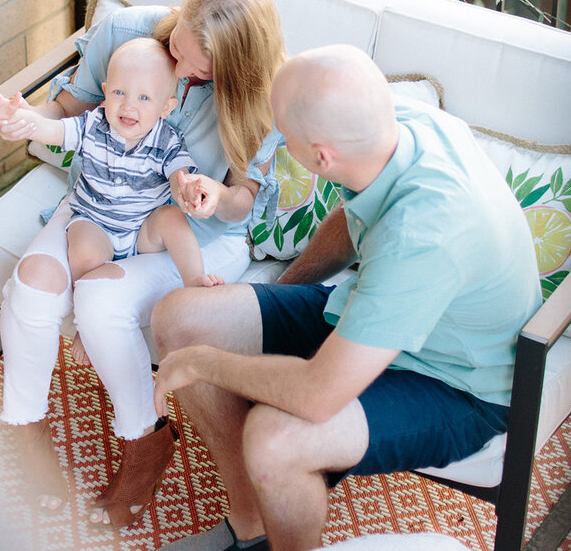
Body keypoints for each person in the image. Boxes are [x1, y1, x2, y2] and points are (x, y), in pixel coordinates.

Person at [151, 45, 543, 550]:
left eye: (283, 136)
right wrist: (272, 298)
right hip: (375, 313)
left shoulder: (423, 234)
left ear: (321, 156)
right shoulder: (395, 123)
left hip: (458, 384)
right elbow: (353, 218)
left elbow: (318, 394)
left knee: (275, 439)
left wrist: (204, 363)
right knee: (180, 318)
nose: (275, 140)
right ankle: (252, 526)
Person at [0, 0, 286, 528]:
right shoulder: (125, 32)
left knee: (98, 303)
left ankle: (147, 441)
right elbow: (68, 116)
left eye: (202, 71)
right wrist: (20, 119)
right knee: (33, 286)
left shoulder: (261, 96)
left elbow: (246, 202)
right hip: (99, 205)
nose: (184, 71)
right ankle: (25, 426)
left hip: (190, 234)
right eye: (178, 49)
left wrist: (216, 196)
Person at [0, 37, 225, 332]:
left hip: (141, 227)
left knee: (172, 219)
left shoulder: (166, 141)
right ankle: (85, 325)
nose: (129, 106)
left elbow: (178, 176)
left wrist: (188, 189)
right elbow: (53, 130)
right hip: (95, 221)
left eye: (144, 98)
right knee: (84, 253)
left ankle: (195, 282)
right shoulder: (92, 126)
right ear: (105, 92)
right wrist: (20, 117)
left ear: (166, 107)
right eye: (119, 92)